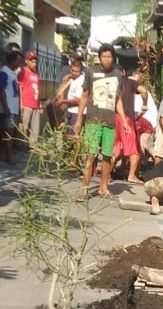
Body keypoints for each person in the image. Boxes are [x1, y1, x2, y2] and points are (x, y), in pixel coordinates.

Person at [74, 43, 125, 199]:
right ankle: (84, 189)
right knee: (91, 155)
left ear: (113, 58)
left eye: (109, 56)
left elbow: (118, 100)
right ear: (99, 57)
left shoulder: (117, 75)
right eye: (104, 56)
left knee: (108, 156)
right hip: (93, 121)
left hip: (109, 122)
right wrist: (78, 119)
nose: (106, 59)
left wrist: (124, 120)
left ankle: (103, 188)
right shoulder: (91, 72)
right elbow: (84, 96)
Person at [114, 69, 151, 183]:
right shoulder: (131, 83)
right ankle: (131, 175)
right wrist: (144, 104)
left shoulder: (114, 82)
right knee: (134, 150)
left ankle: (109, 172)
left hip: (114, 116)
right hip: (126, 117)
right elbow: (144, 91)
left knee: (115, 147)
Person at [0, 50, 22, 163]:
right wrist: (5, 106)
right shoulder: (4, 72)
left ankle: (3, 154)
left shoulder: (13, 73)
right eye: (18, 61)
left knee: (7, 132)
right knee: (9, 133)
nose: (19, 63)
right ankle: (9, 157)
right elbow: (2, 90)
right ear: (12, 60)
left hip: (14, 107)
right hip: (9, 108)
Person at [19, 51, 43, 147]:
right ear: (26, 61)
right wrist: (21, 104)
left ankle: (33, 144)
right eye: (32, 61)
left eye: (35, 62)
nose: (34, 64)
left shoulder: (36, 74)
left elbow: (38, 89)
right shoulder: (23, 72)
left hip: (35, 103)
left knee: (35, 126)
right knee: (24, 125)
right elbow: (20, 88)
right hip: (26, 103)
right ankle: (22, 144)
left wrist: (40, 104)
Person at [56, 57, 85, 131]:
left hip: (76, 113)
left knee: (72, 137)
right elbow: (60, 90)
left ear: (80, 71)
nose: (74, 73)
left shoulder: (81, 81)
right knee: (64, 134)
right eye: (72, 70)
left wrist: (63, 101)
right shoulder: (71, 78)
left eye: (76, 71)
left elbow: (78, 101)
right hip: (70, 110)